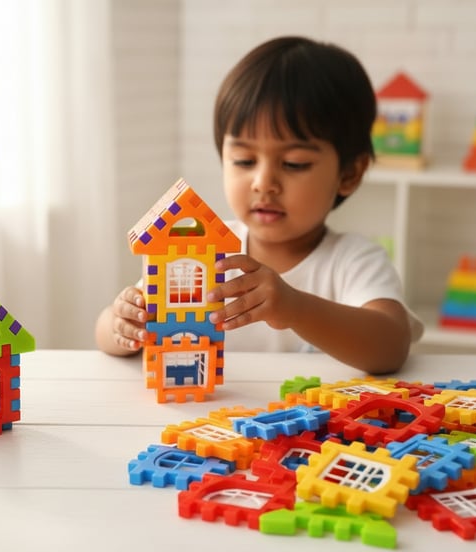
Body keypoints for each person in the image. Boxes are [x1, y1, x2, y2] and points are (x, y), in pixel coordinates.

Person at [95, 35, 423, 374]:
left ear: (349, 174)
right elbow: (108, 333)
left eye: (294, 163)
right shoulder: (198, 249)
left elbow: (390, 346)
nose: (263, 182)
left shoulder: (354, 260)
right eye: (244, 160)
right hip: (213, 419)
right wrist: (121, 323)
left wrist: (295, 308)